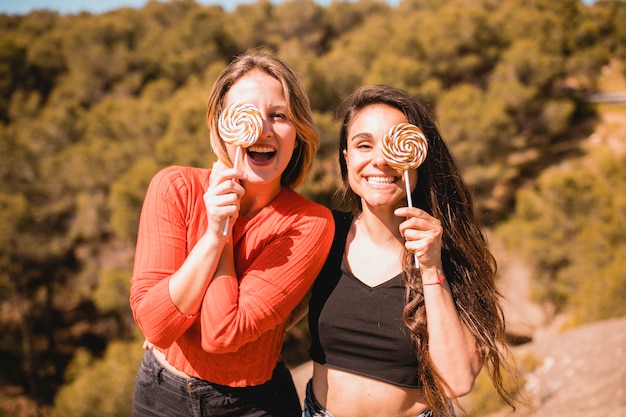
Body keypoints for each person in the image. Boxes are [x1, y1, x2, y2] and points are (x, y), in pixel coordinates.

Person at [129, 51, 334, 417]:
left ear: (298, 132)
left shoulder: (309, 223)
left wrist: (221, 234)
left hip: (253, 406)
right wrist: (212, 235)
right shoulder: (174, 187)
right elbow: (157, 326)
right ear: (223, 126)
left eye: (279, 115)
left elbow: (222, 333)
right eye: (247, 114)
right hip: (160, 395)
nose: (263, 128)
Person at [305, 85, 516, 417]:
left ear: (417, 157)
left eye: (394, 145)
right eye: (363, 145)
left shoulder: (445, 249)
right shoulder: (323, 233)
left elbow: (457, 381)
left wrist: (432, 267)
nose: (381, 160)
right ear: (346, 158)